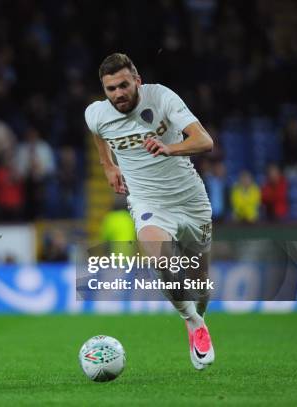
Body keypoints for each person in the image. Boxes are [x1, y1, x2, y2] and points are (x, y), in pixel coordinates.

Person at [86, 53, 215, 370]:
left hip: (190, 200)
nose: (118, 94)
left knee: (199, 283)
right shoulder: (97, 114)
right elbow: (98, 133)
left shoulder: (162, 97)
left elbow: (204, 140)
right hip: (148, 202)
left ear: (137, 81)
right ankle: (194, 324)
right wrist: (108, 165)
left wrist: (171, 147)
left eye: (123, 86)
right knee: (161, 260)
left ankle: (197, 312)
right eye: (111, 89)